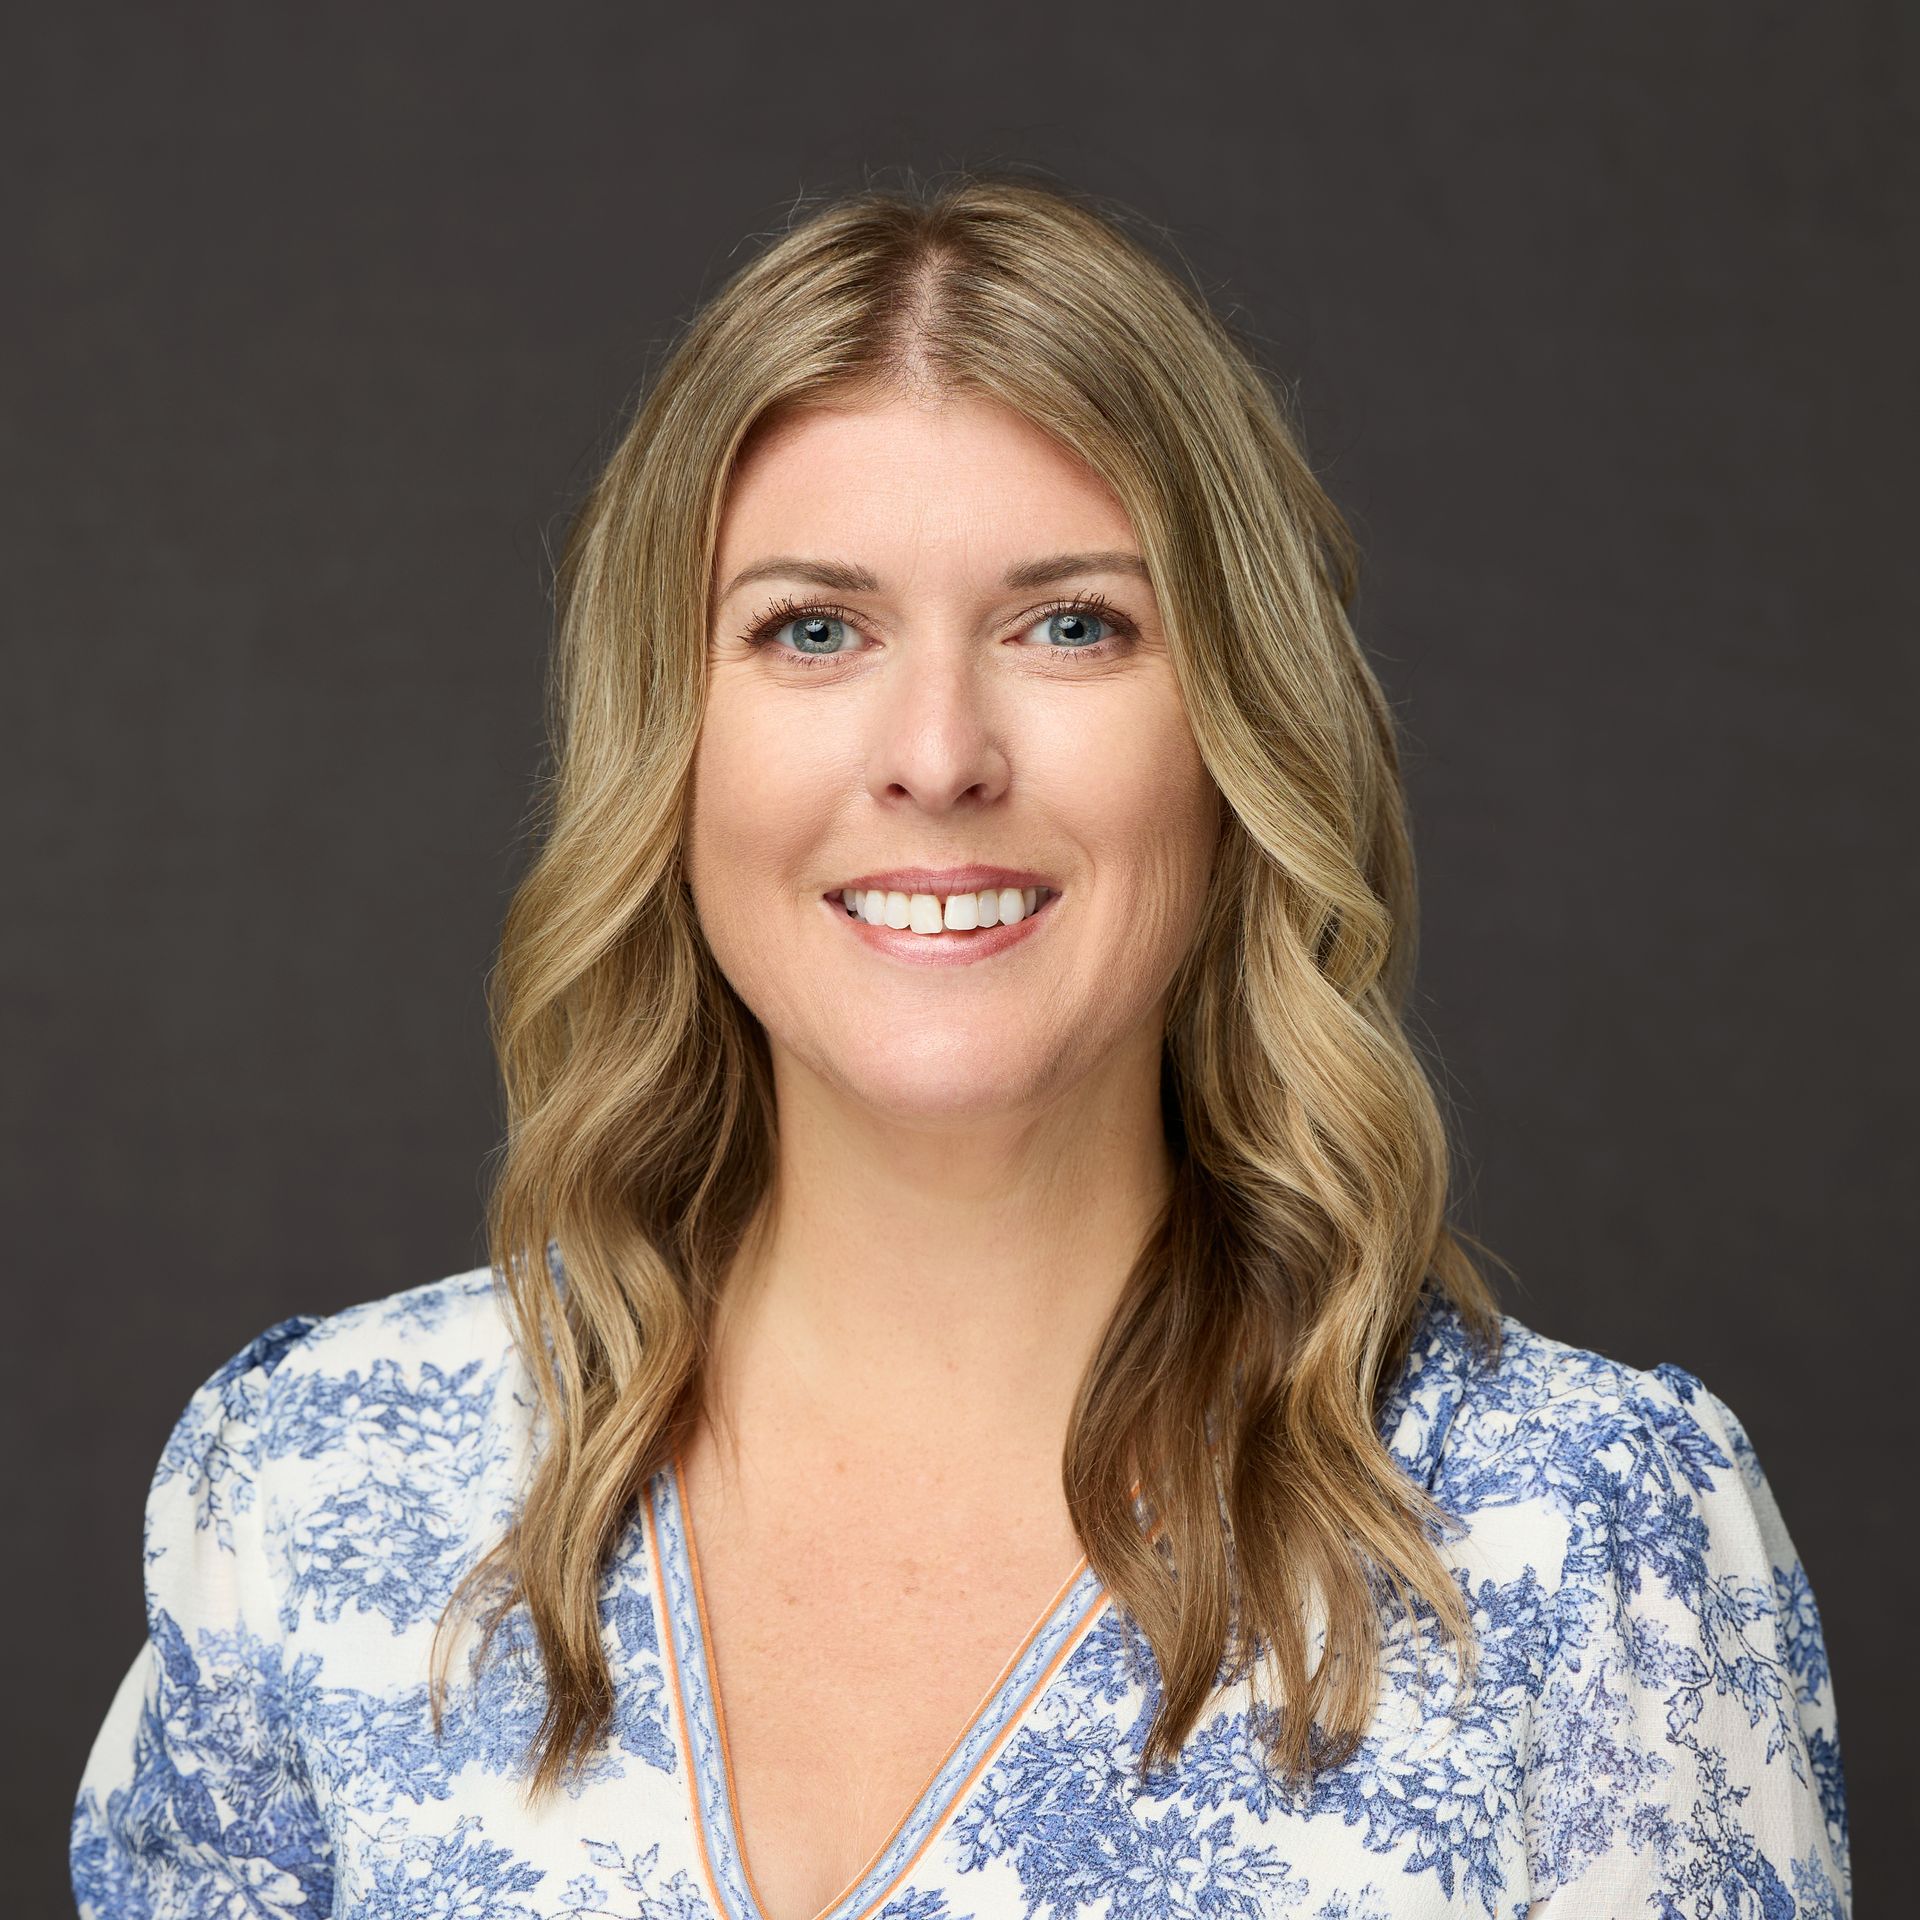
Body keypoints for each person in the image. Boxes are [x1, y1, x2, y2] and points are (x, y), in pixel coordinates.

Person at [70, 170, 1850, 1920]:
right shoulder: (308, 1488)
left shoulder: (1584, 1542)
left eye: (1071, 625)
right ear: (668, 746)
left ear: (1240, 739)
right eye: (813, 630)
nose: (937, 753)